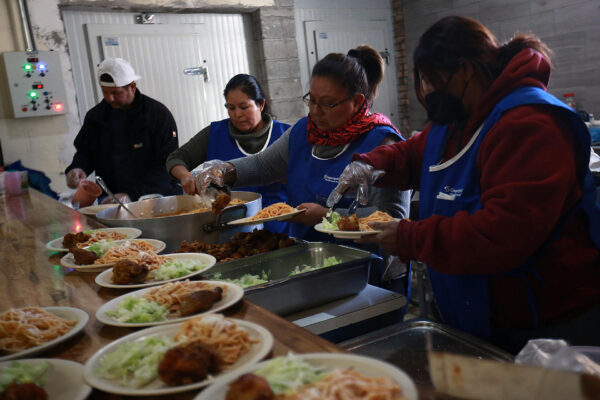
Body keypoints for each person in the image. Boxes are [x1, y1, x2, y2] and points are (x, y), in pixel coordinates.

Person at [328, 16, 600, 353]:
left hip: (545, 320)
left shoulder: (531, 123)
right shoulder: (463, 117)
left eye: (431, 80)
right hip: (481, 311)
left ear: (465, 71)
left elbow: (503, 234)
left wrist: (410, 237)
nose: (426, 92)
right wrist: (370, 164)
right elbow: (414, 154)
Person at [194, 45, 411, 243]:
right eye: (312, 100)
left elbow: (392, 217)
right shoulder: (304, 131)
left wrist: (330, 216)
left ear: (357, 102)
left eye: (327, 103)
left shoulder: (382, 143)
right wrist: (223, 171)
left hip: (370, 267)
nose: (315, 110)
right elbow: (264, 165)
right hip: (313, 255)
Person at [166, 74, 290, 233]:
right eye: (231, 108)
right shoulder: (215, 133)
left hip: (278, 225)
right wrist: (185, 176)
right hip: (226, 226)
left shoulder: (285, 134)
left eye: (244, 107)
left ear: (261, 104)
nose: (237, 114)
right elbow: (176, 158)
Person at [65, 58, 181, 204]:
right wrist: (77, 168)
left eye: (116, 93)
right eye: (105, 92)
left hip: (155, 197)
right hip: (111, 197)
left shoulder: (157, 115)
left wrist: (131, 195)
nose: (110, 98)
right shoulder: (96, 117)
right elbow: (86, 152)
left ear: (132, 86)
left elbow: (167, 164)